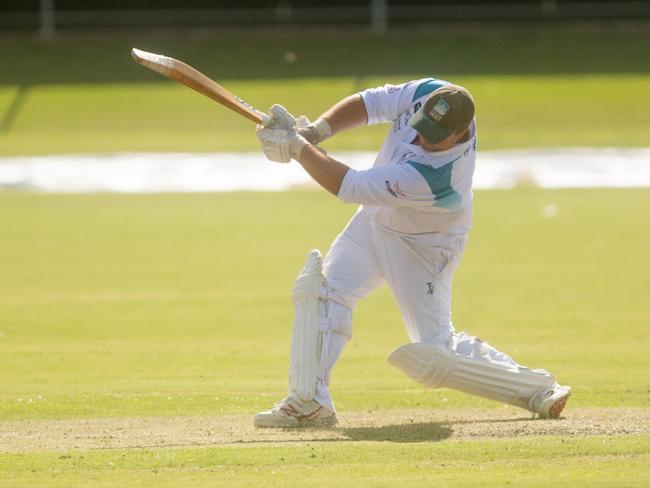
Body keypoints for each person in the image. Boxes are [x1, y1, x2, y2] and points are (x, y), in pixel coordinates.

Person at [253, 78, 571, 428]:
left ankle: (537, 388)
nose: (421, 139)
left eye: (433, 137)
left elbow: (351, 186)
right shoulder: (429, 92)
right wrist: (315, 132)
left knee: (435, 351)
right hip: (374, 222)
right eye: (422, 128)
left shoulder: (439, 176)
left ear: (460, 133)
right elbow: (369, 103)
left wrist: (298, 148)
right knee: (324, 292)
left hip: (421, 247)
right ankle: (309, 401)